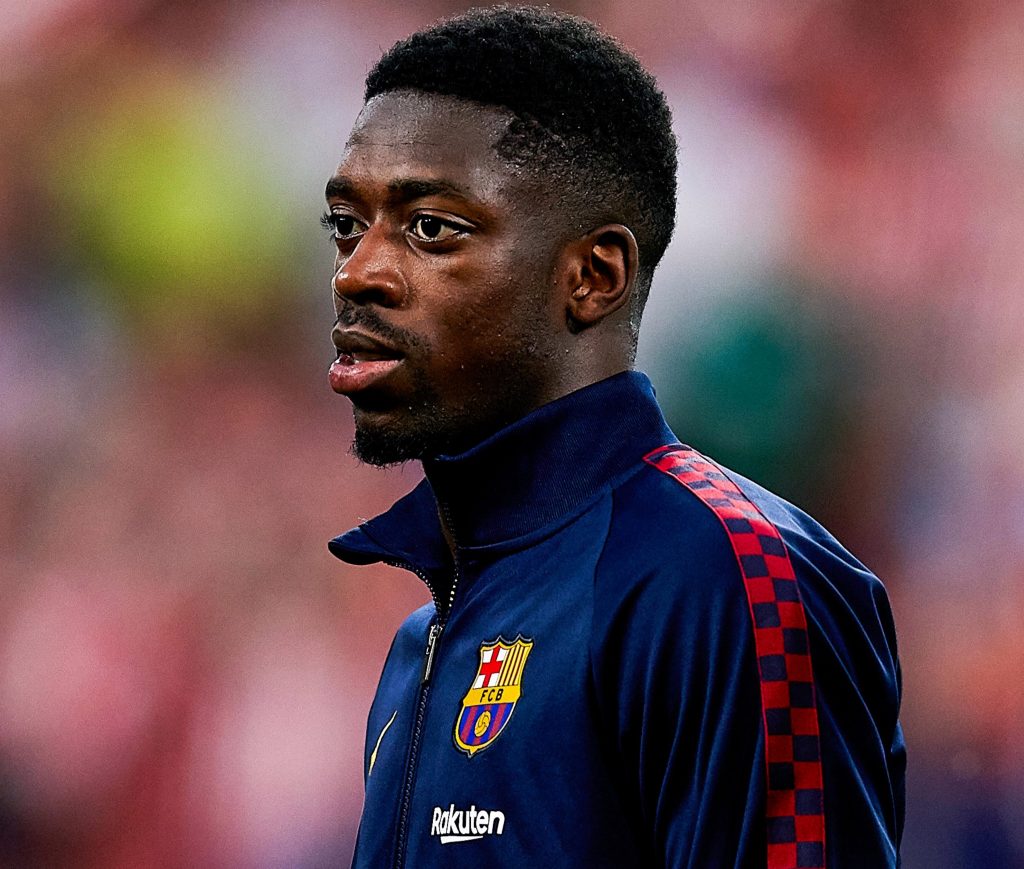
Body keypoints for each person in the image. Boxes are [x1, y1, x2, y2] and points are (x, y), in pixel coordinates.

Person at [323, 7, 905, 867]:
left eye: (430, 228)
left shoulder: (727, 577)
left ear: (593, 276)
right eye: (346, 224)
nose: (357, 272)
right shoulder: (428, 638)